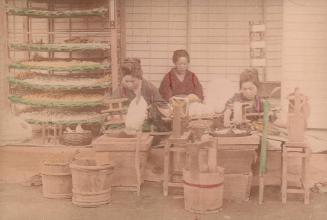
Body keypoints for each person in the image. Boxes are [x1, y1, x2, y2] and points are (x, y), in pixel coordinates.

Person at [110, 58, 170, 131]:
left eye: (132, 81)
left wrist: (151, 110)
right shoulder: (121, 89)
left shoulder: (149, 88)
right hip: (126, 124)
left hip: (147, 125)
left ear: (139, 78)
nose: (129, 84)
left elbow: (162, 105)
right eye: (126, 81)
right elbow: (113, 108)